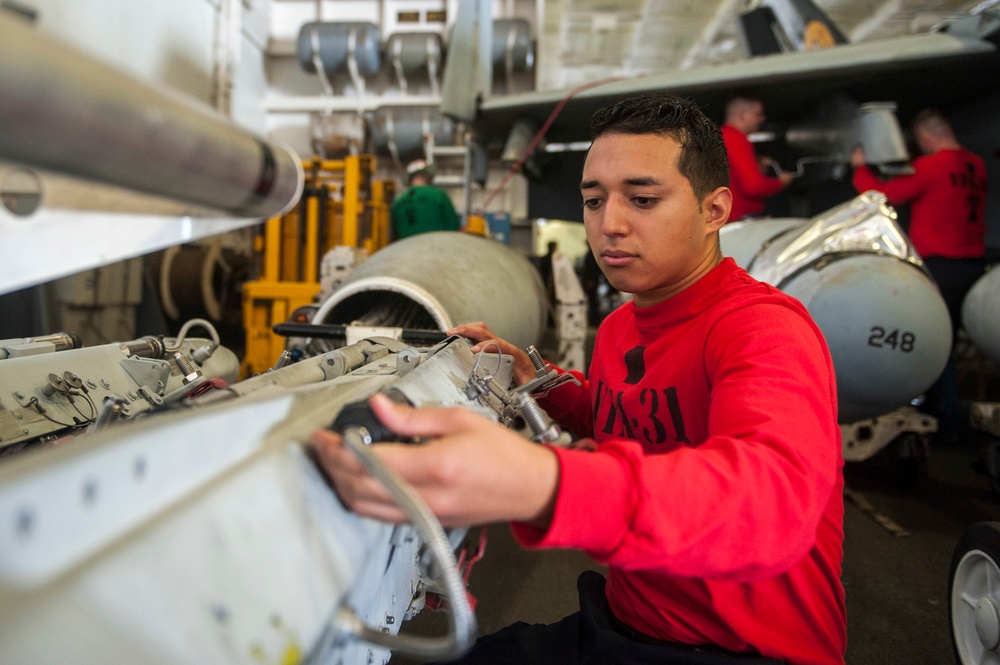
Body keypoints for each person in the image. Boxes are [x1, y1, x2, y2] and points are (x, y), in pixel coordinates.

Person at [311, 93, 846, 665]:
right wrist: (543, 382)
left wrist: (542, 483)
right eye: (594, 201)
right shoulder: (621, 327)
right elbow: (636, 420)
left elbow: (771, 507)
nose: (609, 225)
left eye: (642, 199)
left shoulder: (762, 328)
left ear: (714, 211)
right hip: (631, 620)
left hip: (740, 649)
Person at [851, 108, 989, 442]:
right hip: (972, 264)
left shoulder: (933, 165)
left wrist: (859, 169)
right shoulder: (976, 165)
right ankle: (949, 415)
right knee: (954, 346)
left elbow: (882, 198)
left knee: (934, 346)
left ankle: (945, 421)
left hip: (940, 266)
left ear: (926, 138)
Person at [721, 92, 795, 222]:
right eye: (758, 115)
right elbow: (753, 187)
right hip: (742, 219)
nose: (762, 119)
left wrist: (758, 169)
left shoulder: (720, 137)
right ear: (743, 115)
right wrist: (781, 183)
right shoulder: (735, 139)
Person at [390, 159, 462, 239]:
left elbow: (392, 233)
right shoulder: (439, 196)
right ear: (428, 176)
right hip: (436, 248)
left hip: (405, 249)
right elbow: (453, 227)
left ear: (409, 178)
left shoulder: (398, 202)